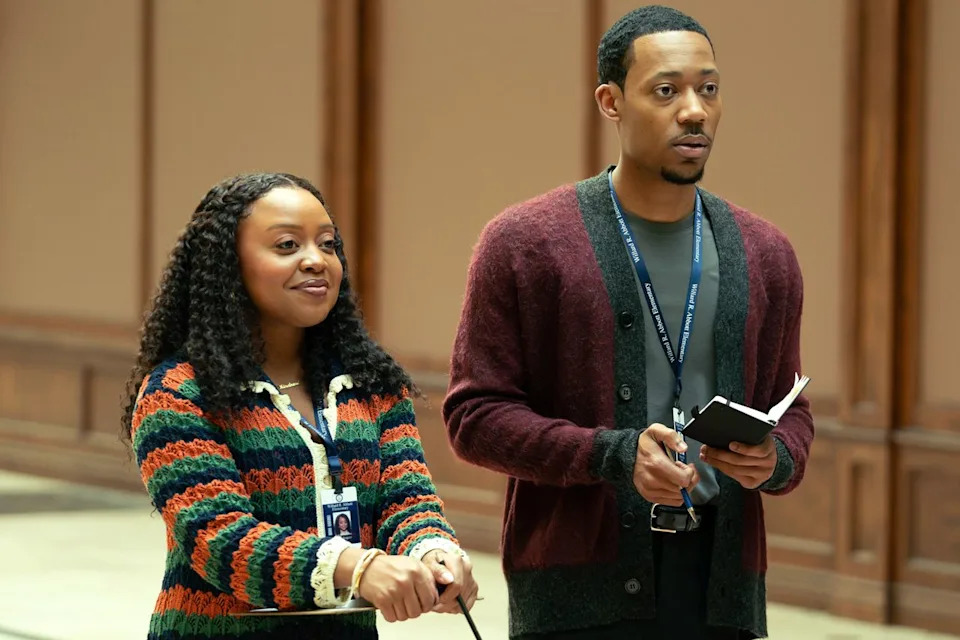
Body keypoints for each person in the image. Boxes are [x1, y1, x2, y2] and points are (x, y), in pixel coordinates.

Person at [442, 5, 813, 640]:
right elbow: (474, 417)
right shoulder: (525, 242)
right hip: (576, 592)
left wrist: (775, 458)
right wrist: (613, 456)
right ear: (611, 103)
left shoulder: (767, 253)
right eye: (666, 90)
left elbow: (792, 409)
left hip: (720, 588)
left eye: (709, 89)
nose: (694, 110)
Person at [124, 172, 478, 640]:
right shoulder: (177, 393)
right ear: (228, 266)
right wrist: (355, 567)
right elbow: (220, 541)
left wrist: (433, 552)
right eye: (287, 245)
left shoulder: (372, 384)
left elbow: (405, 502)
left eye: (328, 244)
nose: (316, 261)